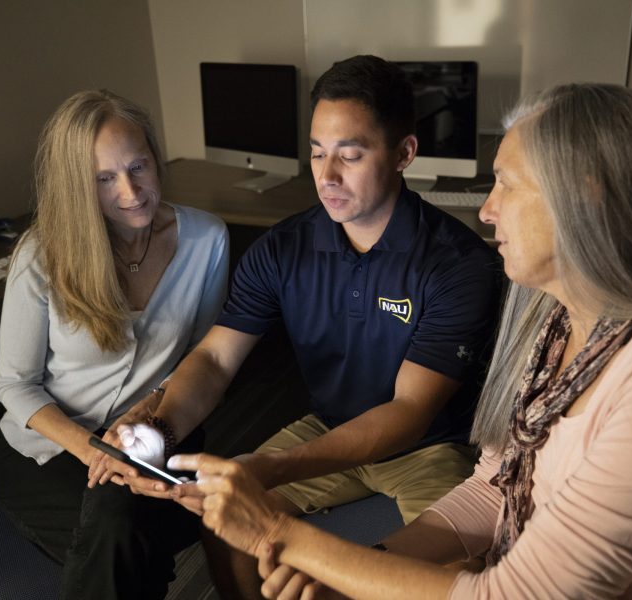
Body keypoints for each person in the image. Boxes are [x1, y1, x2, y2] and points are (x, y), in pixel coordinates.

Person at [172, 83, 632, 599]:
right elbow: (493, 490)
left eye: (506, 184)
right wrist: (365, 567)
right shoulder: (553, 326)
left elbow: (512, 596)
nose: (488, 211)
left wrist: (285, 536)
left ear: (584, 197)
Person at [113, 55, 501, 598]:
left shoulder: (459, 265)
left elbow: (410, 413)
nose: (326, 176)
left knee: (460, 571)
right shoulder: (284, 247)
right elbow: (217, 358)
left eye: (350, 154)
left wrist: (268, 467)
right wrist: (160, 429)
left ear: (403, 153)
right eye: (318, 152)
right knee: (226, 523)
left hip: (432, 447)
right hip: (330, 425)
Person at [0, 89, 229, 600]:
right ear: (77, 185)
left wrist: (148, 414)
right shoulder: (42, 254)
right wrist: (94, 449)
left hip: (158, 429)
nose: (131, 191)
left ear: (155, 158)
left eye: (138, 167)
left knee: (119, 533)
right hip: (47, 448)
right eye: (104, 178)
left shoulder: (208, 239)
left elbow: (203, 360)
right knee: (126, 530)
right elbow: (14, 384)